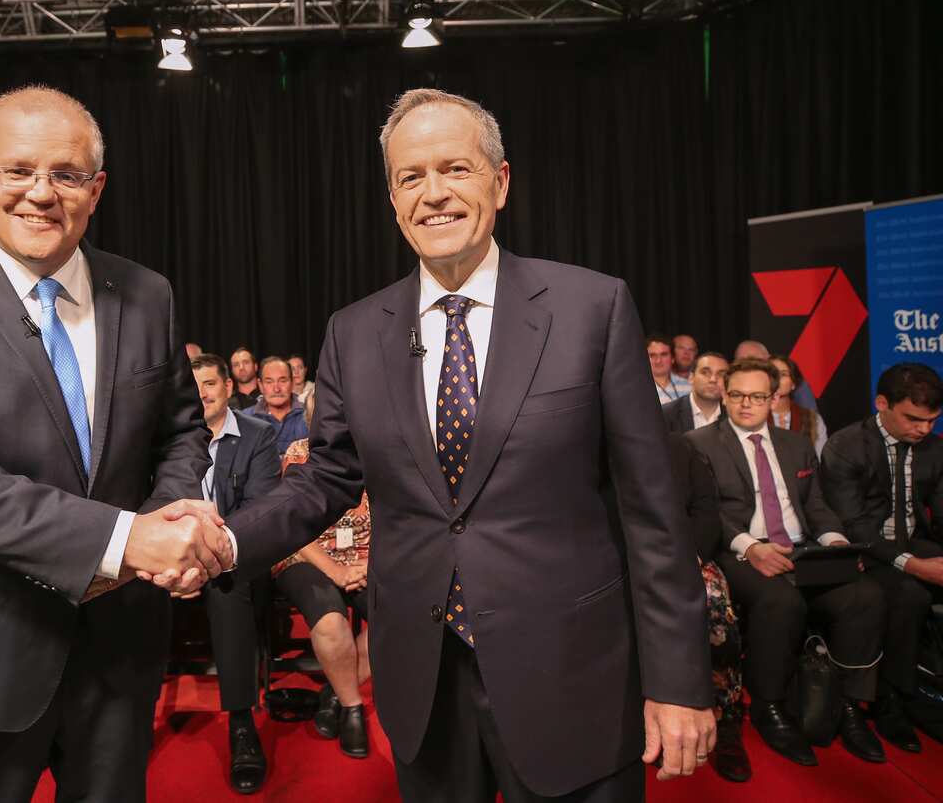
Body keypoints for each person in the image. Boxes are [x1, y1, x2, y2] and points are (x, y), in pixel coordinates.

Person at [206, 89, 714, 802]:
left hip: (572, 674)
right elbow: (324, 479)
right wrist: (224, 539)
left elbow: (653, 513)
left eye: (456, 169)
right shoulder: (353, 332)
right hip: (425, 681)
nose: (434, 193)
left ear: (500, 182)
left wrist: (678, 678)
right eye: (411, 176)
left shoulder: (592, 308)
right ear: (391, 197)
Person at [0, 84, 229, 803]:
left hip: (119, 648)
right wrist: (131, 539)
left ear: (97, 189)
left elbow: (181, 431)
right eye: (18, 170)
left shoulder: (148, 293)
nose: (39, 193)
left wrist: (173, 521)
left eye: (64, 174)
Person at [687, 358, 886, 767]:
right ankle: (769, 705)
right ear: (724, 394)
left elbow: (816, 506)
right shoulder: (699, 443)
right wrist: (749, 546)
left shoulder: (795, 444)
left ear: (773, 398)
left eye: (757, 396)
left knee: (864, 595)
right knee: (781, 601)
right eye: (738, 395)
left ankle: (849, 705)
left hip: (801, 547)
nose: (746, 404)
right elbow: (705, 512)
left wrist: (836, 543)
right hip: (741, 549)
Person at [821, 362, 943, 749]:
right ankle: (891, 698)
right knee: (910, 594)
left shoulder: (935, 448)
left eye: (932, 421)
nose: (923, 429)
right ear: (881, 403)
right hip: (864, 550)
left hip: (914, 542)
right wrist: (914, 565)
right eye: (913, 419)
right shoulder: (846, 445)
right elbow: (853, 525)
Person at [189, 353, 279, 793]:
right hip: (179, 560)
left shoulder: (259, 436)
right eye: (195, 386)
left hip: (237, 559)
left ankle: (241, 724)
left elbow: (260, 511)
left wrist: (209, 558)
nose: (202, 393)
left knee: (228, 590)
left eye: (209, 384)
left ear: (228, 387)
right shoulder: (172, 440)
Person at [275, 392, 373, 760]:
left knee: (402, 617)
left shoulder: (379, 453)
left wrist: (372, 563)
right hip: (307, 558)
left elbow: (399, 519)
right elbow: (293, 529)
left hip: (367, 561)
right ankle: (351, 708)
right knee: (331, 622)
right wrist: (336, 569)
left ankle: (332, 691)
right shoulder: (299, 454)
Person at [667, 434, 748, 783]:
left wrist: (688, 559)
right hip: (616, 562)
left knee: (715, 610)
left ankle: (726, 720)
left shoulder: (680, 447)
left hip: (685, 556)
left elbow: (705, 511)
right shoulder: (589, 440)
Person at [250, 356, 309, 456]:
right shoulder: (246, 418)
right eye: (269, 382)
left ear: (292, 383)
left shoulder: (310, 416)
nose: (276, 389)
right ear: (260, 385)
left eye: (282, 381)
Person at [770, 355, 828, 457]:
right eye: (771, 374)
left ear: (793, 383)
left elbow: (819, 460)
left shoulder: (813, 420)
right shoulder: (753, 417)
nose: (777, 379)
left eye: (783, 374)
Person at [663, 352, 728, 435]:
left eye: (721, 374)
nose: (713, 379)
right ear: (691, 378)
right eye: (705, 373)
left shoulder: (733, 414)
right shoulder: (666, 414)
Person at [648, 334, 690, 405]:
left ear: (673, 358)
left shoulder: (689, 387)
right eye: (652, 355)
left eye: (663, 355)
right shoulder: (636, 387)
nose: (658, 360)